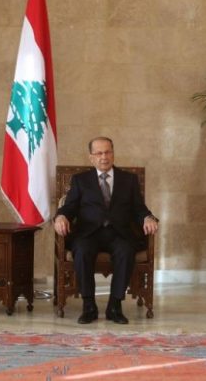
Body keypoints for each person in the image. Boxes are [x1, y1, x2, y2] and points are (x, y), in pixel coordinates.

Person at [54, 137, 159, 324]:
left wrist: (148, 217)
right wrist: (61, 217)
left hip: (119, 233)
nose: (104, 157)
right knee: (83, 251)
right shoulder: (80, 180)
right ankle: (89, 306)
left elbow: (138, 208)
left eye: (108, 152)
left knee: (126, 251)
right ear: (91, 157)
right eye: (99, 153)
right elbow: (69, 207)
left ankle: (115, 306)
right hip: (89, 233)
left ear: (113, 153)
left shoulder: (129, 180)